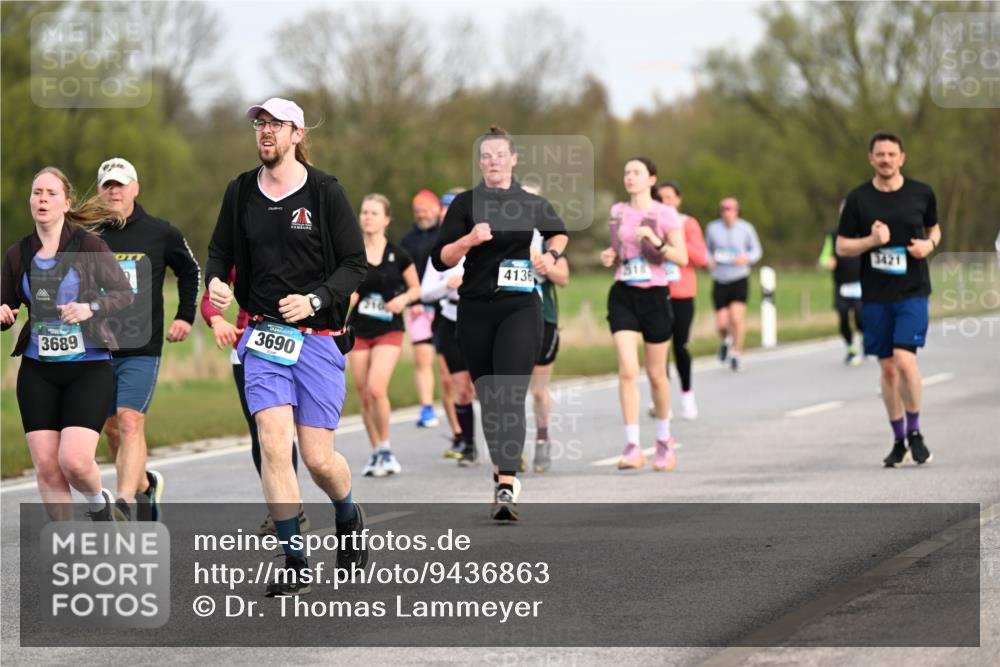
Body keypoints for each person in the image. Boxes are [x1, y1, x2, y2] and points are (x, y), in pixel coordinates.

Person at [206, 97, 369, 596]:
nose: (265, 131)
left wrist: (316, 298)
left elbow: (355, 264)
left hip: (317, 339)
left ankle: (348, 514)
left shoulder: (325, 192)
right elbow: (220, 252)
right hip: (263, 338)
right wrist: (217, 284)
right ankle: (295, 560)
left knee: (319, 459)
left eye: (276, 124)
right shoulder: (240, 191)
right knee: (274, 444)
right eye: (260, 123)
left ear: (298, 134)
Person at [432, 126, 568, 521]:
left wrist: (550, 258)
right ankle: (502, 472)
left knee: (509, 393)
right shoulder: (466, 204)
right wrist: (469, 241)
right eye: (487, 156)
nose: (493, 161)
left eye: (500, 155)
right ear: (480, 162)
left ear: (513, 159)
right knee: (490, 399)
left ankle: (506, 483)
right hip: (475, 309)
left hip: (520, 308)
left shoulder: (530, 202)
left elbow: (559, 233)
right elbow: (441, 258)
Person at [1, 167, 134, 521]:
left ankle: (99, 504)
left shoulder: (89, 246)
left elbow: (123, 294)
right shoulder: (18, 254)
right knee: (47, 466)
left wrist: (90, 308)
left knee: (74, 461)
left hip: (87, 367)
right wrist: (4, 313)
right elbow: (6, 305)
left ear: (66, 203)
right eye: (37, 193)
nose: (42, 199)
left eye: (51, 193)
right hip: (37, 370)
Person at [94, 157, 201, 522]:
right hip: (97, 349)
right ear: (100, 192)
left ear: (135, 189)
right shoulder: (86, 236)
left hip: (142, 347)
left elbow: (190, 270)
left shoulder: (160, 232)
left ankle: (123, 503)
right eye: (108, 185)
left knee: (130, 421)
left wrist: (185, 315)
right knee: (111, 428)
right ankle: (144, 485)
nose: (114, 191)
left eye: (120, 184)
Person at [836, 131, 940, 467]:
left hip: (912, 291)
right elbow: (842, 246)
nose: (885, 160)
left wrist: (929, 245)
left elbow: (935, 229)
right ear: (871, 159)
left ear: (901, 158)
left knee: (905, 361)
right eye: (880, 154)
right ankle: (898, 440)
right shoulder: (858, 199)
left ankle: (915, 432)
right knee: (889, 369)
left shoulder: (922, 193)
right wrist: (870, 241)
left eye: (891, 154)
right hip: (876, 295)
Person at [200, 269, 310, 536]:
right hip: (250, 348)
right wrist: (217, 320)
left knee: (293, 433)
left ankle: (292, 505)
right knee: (264, 433)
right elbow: (209, 298)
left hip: (299, 344)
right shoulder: (239, 252)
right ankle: (286, 508)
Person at [600, 158, 687, 472]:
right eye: (626, 172)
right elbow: (619, 251)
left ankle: (664, 440)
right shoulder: (618, 211)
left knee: (656, 375)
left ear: (652, 179)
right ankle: (633, 446)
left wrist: (656, 240)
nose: (630, 177)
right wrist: (609, 256)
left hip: (655, 296)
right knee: (627, 370)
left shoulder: (665, 213)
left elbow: (682, 257)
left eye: (636, 172)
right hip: (623, 294)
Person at [348, 194, 420, 477]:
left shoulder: (398, 255)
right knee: (364, 394)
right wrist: (347, 298)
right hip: (359, 329)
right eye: (364, 212)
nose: (367, 217)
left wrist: (403, 299)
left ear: (386, 219)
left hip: (389, 329)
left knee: (377, 388)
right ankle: (376, 450)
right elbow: (343, 289)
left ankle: (388, 449)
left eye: (374, 213)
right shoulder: (352, 255)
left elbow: (416, 288)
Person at [523, 179, 570, 473]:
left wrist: (544, 263)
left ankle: (542, 439)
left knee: (538, 391)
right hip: (510, 316)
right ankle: (511, 446)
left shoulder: (547, 238)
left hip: (544, 317)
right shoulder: (500, 234)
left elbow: (564, 278)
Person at [421, 232, 477, 466]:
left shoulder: (487, 242)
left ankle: (506, 445)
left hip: (481, 318)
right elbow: (425, 293)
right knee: (460, 387)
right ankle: (468, 444)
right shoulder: (443, 250)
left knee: (489, 387)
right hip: (450, 319)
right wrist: (447, 284)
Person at [657, 181, 706, 419]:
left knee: (680, 346)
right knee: (659, 348)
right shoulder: (652, 223)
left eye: (669, 197)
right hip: (657, 291)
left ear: (678, 200)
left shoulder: (688, 223)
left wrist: (676, 242)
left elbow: (700, 258)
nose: (665, 202)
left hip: (682, 292)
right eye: (660, 198)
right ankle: (662, 399)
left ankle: (687, 396)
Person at [400, 189, 443, 429]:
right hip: (418, 308)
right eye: (417, 211)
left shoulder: (447, 235)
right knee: (423, 358)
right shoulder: (407, 240)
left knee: (449, 364)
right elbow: (401, 275)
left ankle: (461, 399)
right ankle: (427, 407)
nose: (421, 215)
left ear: (436, 209)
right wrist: (412, 300)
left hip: (446, 307)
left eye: (425, 210)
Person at [704, 197, 763, 372]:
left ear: (737, 211)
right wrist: (708, 260)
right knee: (722, 324)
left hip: (739, 277)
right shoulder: (712, 228)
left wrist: (746, 258)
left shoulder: (746, 228)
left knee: (736, 319)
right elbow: (706, 249)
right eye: (724, 209)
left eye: (730, 209)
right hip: (720, 278)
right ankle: (727, 340)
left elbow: (757, 250)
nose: (727, 212)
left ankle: (736, 354)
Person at [819, 204, 864, 365]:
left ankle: (864, 337)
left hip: (860, 283)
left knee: (860, 316)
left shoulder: (863, 234)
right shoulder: (833, 237)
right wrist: (827, 262)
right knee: (843, 316)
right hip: (841, 285)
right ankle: (851, 348)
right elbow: (824, 257)